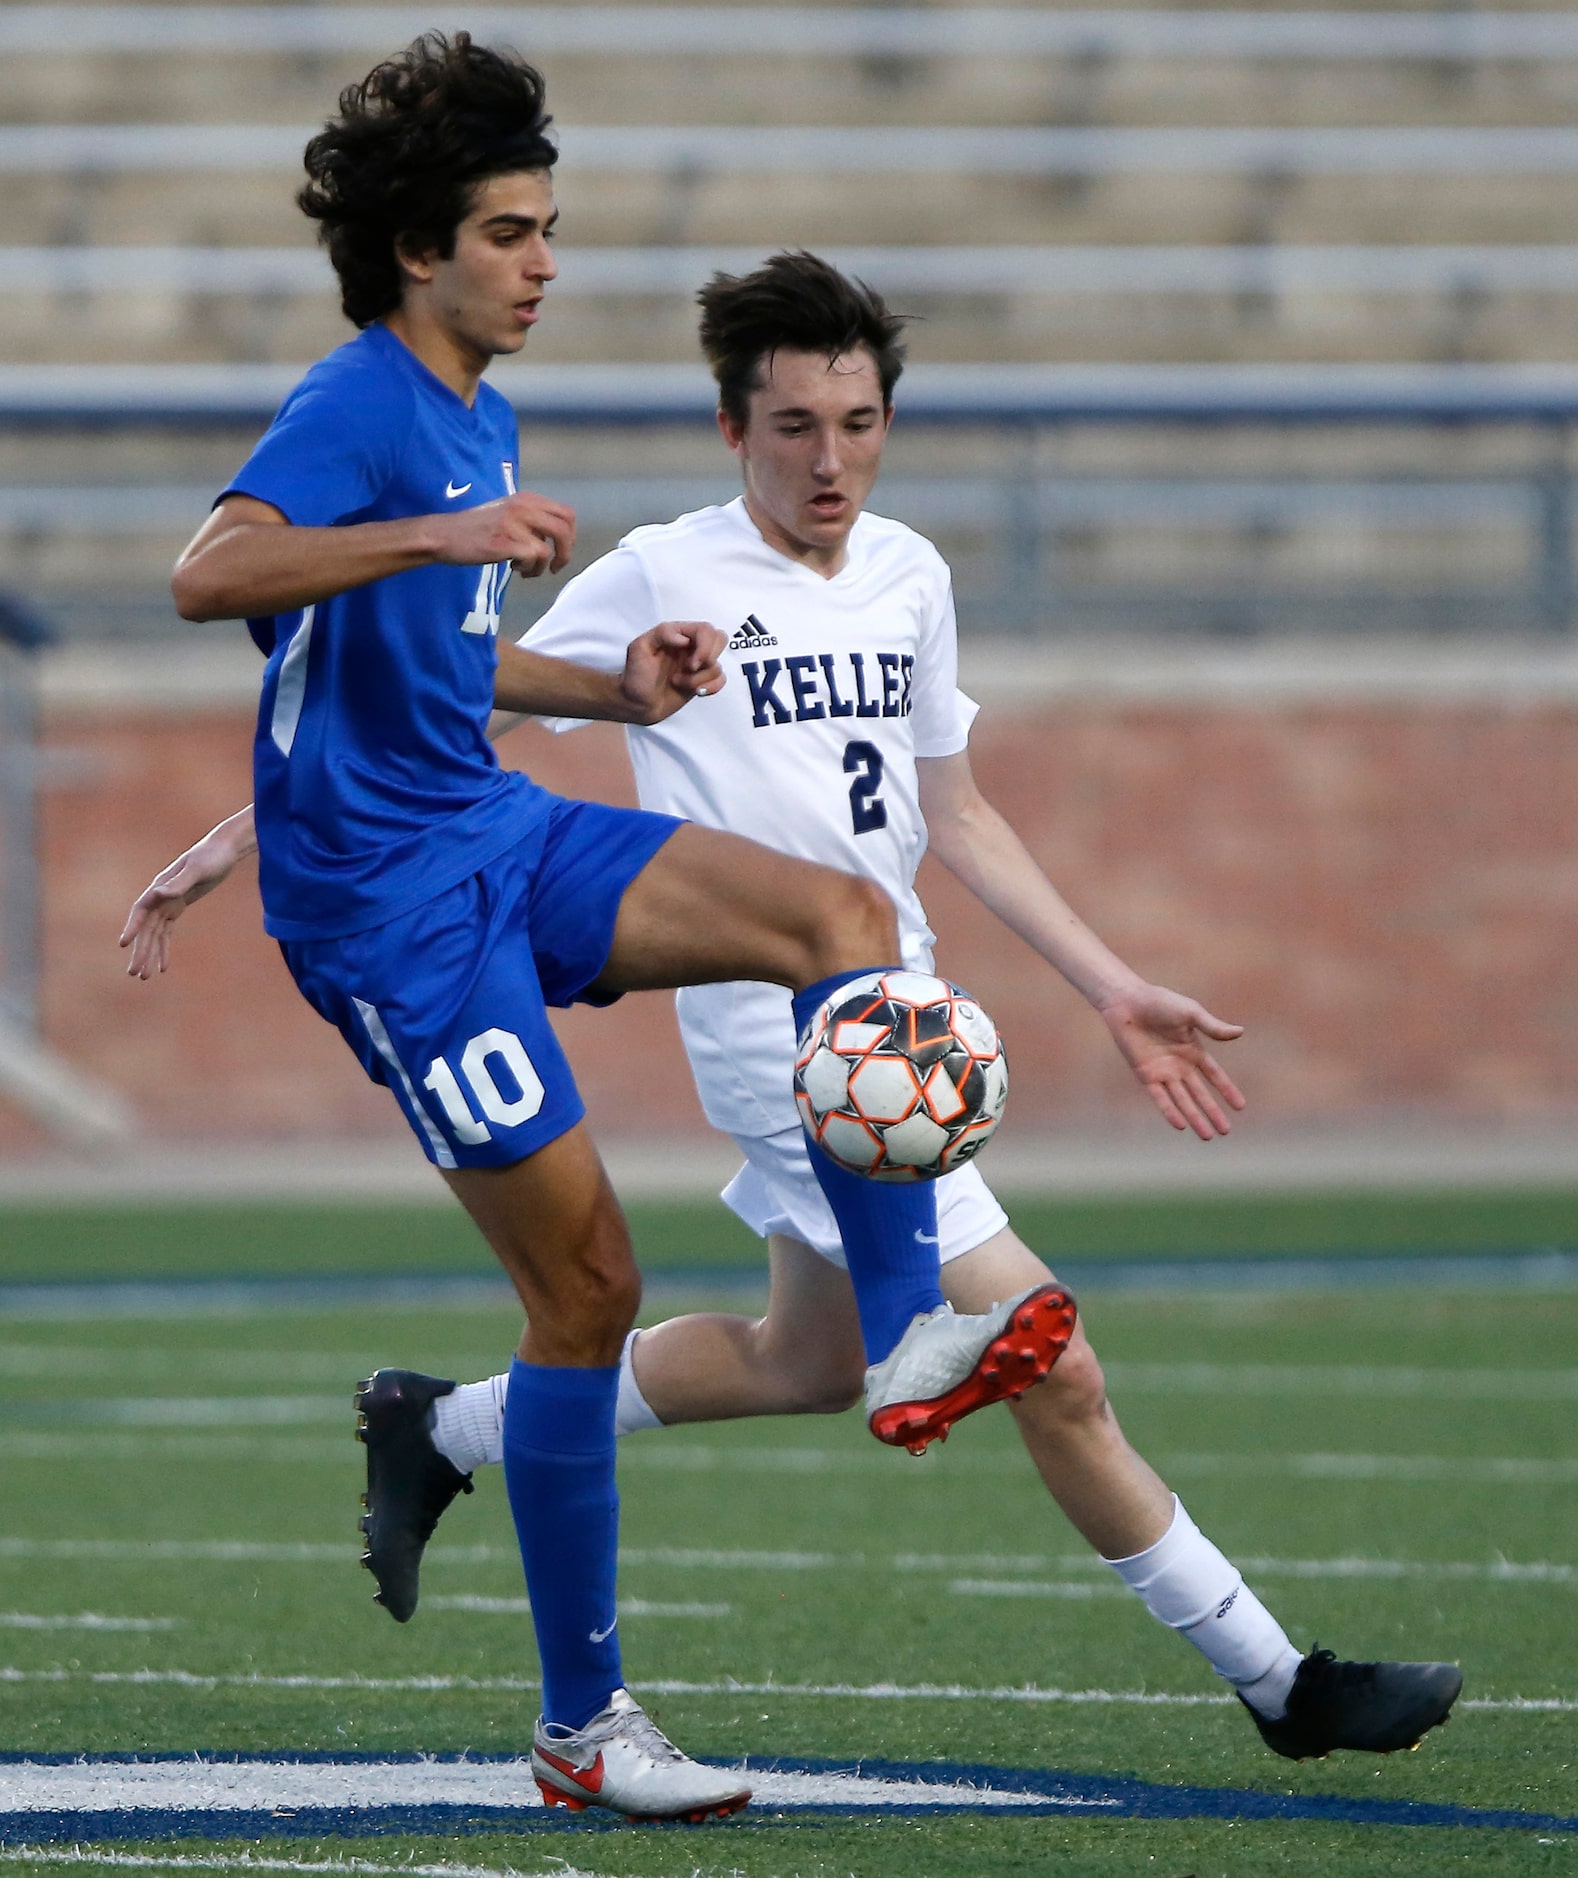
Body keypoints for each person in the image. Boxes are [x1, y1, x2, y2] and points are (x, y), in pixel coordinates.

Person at [130, 246, 1462, 1771]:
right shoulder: (660, 567)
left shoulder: (912, 575)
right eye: (793, 429)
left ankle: (446, 1427)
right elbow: (437, 709)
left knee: (800, 1360)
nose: (830, 460)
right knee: (1057, 1361)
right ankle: (1282, 1680)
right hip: (802, 1041)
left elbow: (954, 815)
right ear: (729, 430)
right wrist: (239, 842)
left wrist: (1112, 986)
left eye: (859, 423)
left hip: (896, 1005)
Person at [129, 39, 1083, 1824]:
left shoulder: (478, 406)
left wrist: (606, 674)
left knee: (841, 907)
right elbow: (211, 572)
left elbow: (436, 660)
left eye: (549, 228)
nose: (545, 262)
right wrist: (442, 526)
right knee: (588, 1289)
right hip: (391, 911)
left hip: (486, 824)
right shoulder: (366, 402)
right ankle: (584, 1729)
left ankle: (906, 1331)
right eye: (510, 232)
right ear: (422, 250)